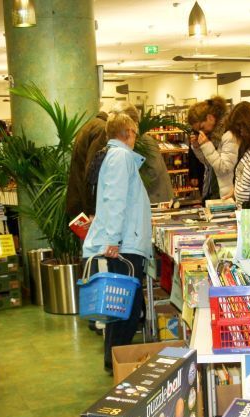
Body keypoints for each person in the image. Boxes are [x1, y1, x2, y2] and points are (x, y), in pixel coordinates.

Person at [81, 112, 151, 373]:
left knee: (119, 305)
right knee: (127, 307)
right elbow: (116, 199)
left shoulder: (114, 156)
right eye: (134, 132)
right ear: (128, 133)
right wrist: (112, 238)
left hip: (123, 240)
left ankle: (115, 359)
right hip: (125, 243)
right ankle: (119, 361)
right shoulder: (121, 157)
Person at [187, 96, 238, 200]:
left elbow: (224, 168)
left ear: (210, 118)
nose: (202, 132)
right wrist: (197, 148)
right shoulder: (213, 135)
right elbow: (209, 164)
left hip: (227, 194)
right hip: (214, 191)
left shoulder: (229, 135)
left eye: (202, 127)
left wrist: (206, 145)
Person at [66, 110, 107, 218]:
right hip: (86, 203)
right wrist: (92, 211)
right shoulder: (102, 129)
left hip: (78, 198)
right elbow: (93, 171)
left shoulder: (91, 125)